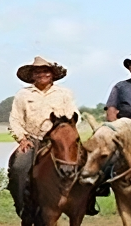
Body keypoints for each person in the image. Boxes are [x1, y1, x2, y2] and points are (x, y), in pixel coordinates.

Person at [7, 56, 79, 217]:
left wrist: (64, 135)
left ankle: (84, 203)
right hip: (32, 139)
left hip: (58, 140)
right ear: (32, 76)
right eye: (37, 72)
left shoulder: (64, 94)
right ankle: (21, 206)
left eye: (45, 71)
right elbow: (15, 119)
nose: (42, 74)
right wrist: (21, 139)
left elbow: (73, 116)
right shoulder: (23, 95)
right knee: (18, 167)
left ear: (52, 74)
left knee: (85, 167)